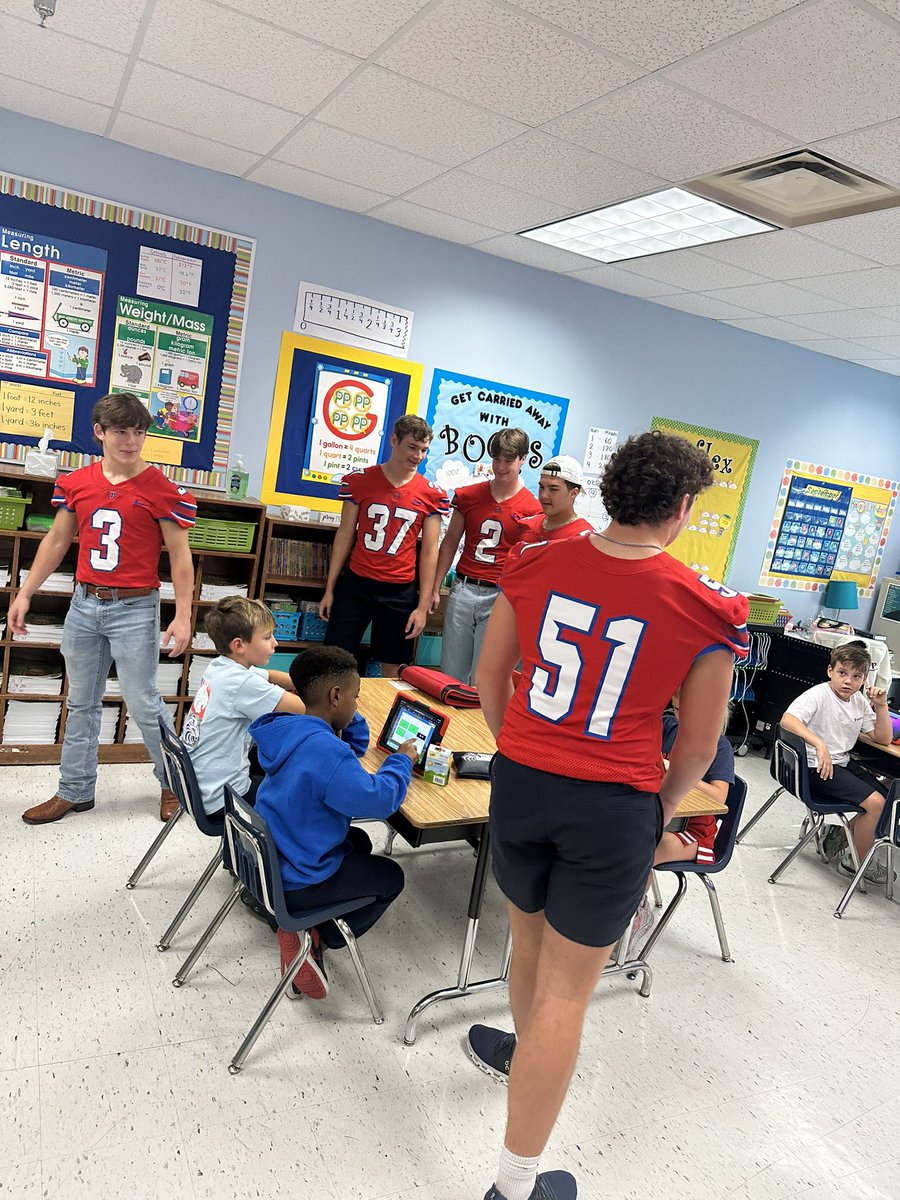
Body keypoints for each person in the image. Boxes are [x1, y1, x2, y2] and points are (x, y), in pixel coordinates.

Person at [471, 429, 749, 1200]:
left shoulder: (533, 562)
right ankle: (514, 1182)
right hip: (615, 803)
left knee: (527, 947)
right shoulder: (705, 607)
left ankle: (526, 1061)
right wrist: (656, 807)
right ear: (683, 507)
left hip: (522, 781)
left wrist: (521, 753)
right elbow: (698, 743)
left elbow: (491, 676)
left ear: (608, 493)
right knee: (568, 991)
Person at [12, 392, 196, 826]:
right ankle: (75, 790)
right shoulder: (77, 482)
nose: (131, 441)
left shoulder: (163, 489)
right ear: (100, 432)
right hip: (84, 603)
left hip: (135, 606)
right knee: (81, 702)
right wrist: (24, 593)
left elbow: (180, 555)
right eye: (121, 431)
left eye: (139, 431)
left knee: (145, 701)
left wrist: (184, 614)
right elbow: (57, 541)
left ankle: (173, 782)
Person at [251, 645, 416, 999]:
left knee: (360, 843)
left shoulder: (290, 729)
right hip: (297, 879)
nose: (357, 705)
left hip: (274, 855)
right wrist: (402, 760)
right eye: (355, 698)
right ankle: (314, 937)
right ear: (335, 695)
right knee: (392, 878)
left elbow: (348, 750)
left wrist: (344, 715)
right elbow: (381, 799)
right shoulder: (326, 754)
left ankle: (310, 925)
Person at [319, 415, 449, 677]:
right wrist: (330, 589)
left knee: (394, 666)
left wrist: (422, 607)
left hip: (400, 590)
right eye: (412, 447)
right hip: (357, 583)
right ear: (394, 440)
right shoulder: (360, 480)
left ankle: (389, 717)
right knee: (334, 660)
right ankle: (330, 716)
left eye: (424, 450)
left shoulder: (432, 494)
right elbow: (345, 534)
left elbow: (429, 551)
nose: (418, 456)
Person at [430, 428, 541, 684]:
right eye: (496, 459)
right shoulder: (468, 496)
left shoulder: (532, 509)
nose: (500, 467)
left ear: (523, 459)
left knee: (484, 680)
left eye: (508, 460)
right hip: (464, 587)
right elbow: (449, 544)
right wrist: (435, 588)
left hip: (500, 596)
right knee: (450, 674)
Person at [181, 597, 305, 821]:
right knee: (301, 798)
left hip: (198, 785)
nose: (275, 643)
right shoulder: (242, 684)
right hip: (224, 798)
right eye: (267, 637)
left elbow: (272, 676)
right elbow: (307, 709)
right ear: (239, 645)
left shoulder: (221, 666)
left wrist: (300, 683)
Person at [629, 695, 735, 954]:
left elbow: (719, 796)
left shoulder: (718, 746)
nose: (681, 717)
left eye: (688, 710)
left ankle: (633, 917)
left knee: (641, 852)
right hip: (659, 817)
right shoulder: (667, 727)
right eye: (677, 708)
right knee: (622, 839)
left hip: (694, 832)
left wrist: (678, 771)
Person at [781, 641, 892, 884]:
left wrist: (882, 706)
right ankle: (856, 864)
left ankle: (840, 834)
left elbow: (883, 737)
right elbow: (788, 720)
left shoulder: (859, 701)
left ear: (863, 679)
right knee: (876, 805)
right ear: (830, 671)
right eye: (842, 673)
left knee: (889, 801)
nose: (848, 681)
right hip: (813, 768)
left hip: (840, 763)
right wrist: (819, 744)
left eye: (856, 676)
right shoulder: (818, 695)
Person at [513, 455, 594, 547]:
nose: (544, 495)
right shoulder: (526, 525)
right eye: (542, 487)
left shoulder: (584, 538)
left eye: (553, 489)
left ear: (574, 493)